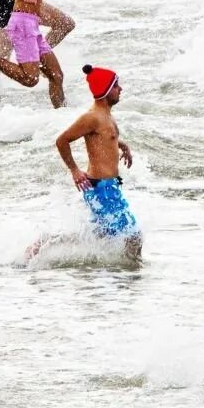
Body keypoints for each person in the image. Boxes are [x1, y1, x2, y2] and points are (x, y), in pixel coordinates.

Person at [53, 64, 141, 261]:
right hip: (101, 189)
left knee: (103, 236)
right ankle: (130, 282)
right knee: (133, 236)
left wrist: (122, 145)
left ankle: (52, 248)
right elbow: (62, 140)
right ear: (107, 90)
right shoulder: (92, 117)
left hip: (109, 187)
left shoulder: (106, 114)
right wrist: (75, 170)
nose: (121, 89)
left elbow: (104, 138)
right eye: (117, 86)